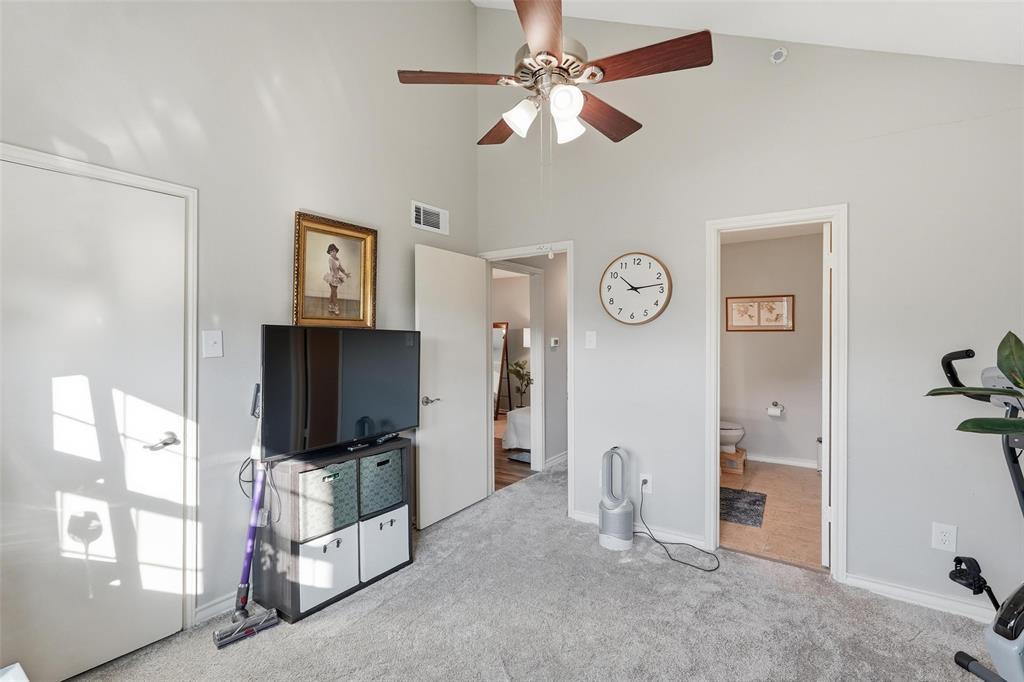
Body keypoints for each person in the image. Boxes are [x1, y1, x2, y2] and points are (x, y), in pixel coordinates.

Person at [322, 243, 352, 316]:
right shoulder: (330, 259)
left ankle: (330, 306)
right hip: (332, 278)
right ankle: (336, 307)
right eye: (331, 252)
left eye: (333, 251)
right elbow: (333, 268)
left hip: (337, 277)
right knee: (335, 293)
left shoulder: (338, 259)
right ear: (329, 253)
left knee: (333, 293)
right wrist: (338, 277)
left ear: (336, 251)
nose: (332, 253)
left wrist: (346, 274)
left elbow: (340, 268)